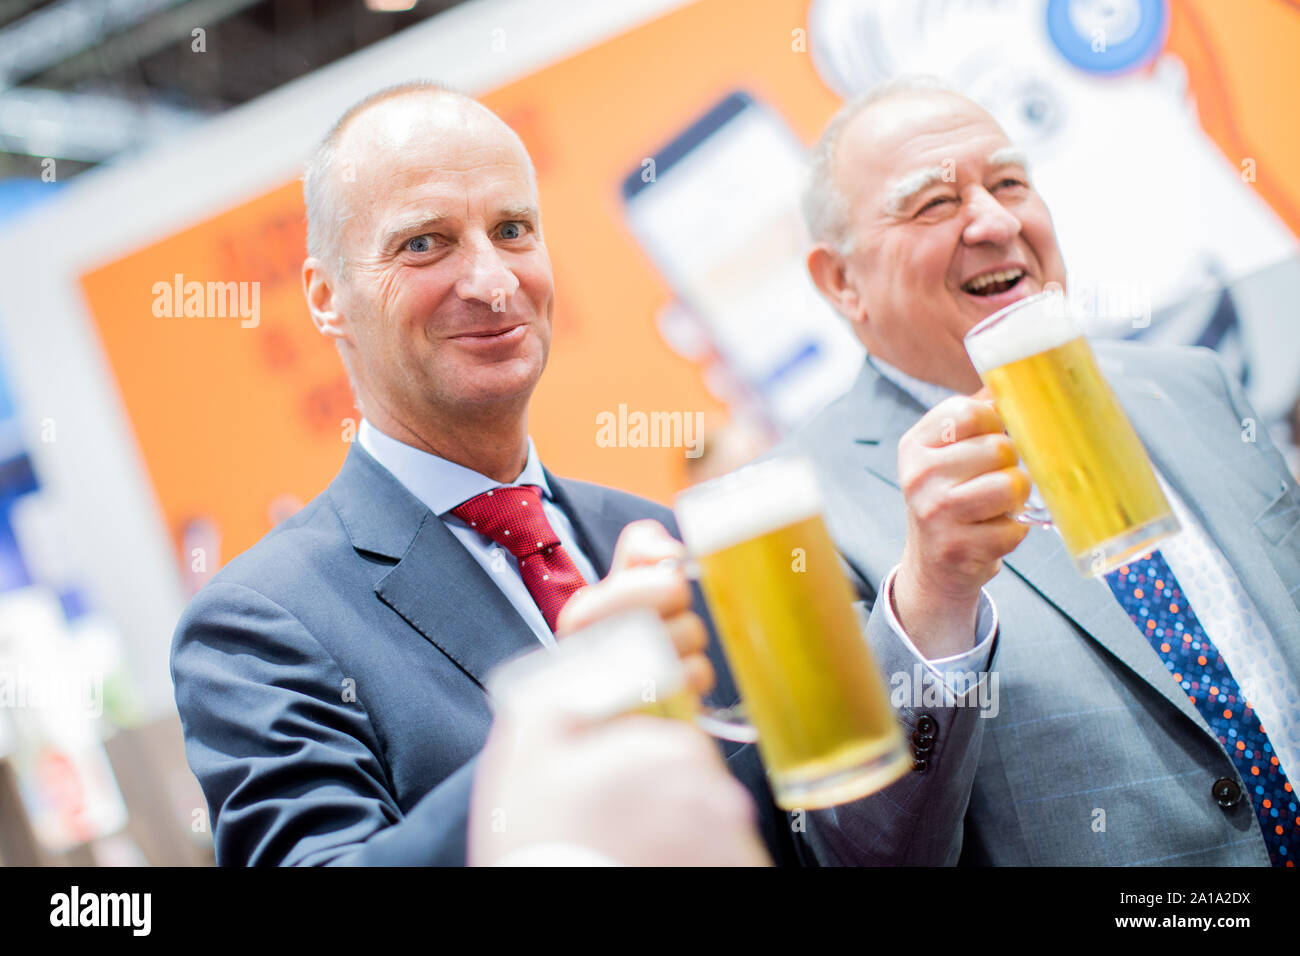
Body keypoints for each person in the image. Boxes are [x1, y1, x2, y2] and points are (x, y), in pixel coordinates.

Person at [171, 82, 984, 866]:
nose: (492, 282)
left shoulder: (664, 537)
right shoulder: (258, 627)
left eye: (514, 229)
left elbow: (836, 839)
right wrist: (568, 705)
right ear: (326, 298)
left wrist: (928, 604)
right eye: (425, 243)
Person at [784, 76, 1300, 865]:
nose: (995, 221)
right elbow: (863, 848)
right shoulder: (793, 511)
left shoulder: (1194, 383)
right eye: (933, 204)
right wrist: (932, 597)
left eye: (1010, 181)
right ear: (840, 280)